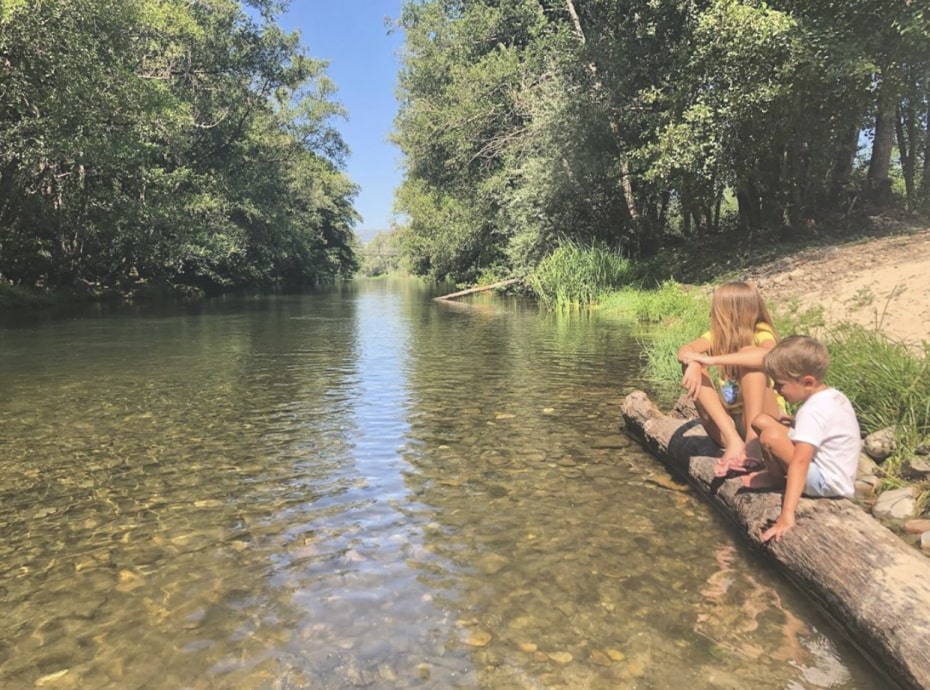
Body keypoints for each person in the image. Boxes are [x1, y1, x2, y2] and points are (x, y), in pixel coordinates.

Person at [746, 335, 861, 543]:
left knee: (770, 436)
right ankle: (775, 474)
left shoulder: (813, 411)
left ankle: (776, 479)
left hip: (827, 482)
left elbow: (800, 461)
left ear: (807, 382)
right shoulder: (832, 396)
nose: (774, 390)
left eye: (780, 385)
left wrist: (787, 514)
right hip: (829, 469)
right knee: (761, 420)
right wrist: (793, 422)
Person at [677, 281, 784, 477]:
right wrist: (693, 362)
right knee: (691, 366)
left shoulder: (761, 332)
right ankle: (734, 441)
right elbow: (684, 350)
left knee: (751, 358)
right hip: (727, 427)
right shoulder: (716, 336)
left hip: (762, 424)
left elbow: (769, 356)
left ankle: (752, 445)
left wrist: (711, 359)